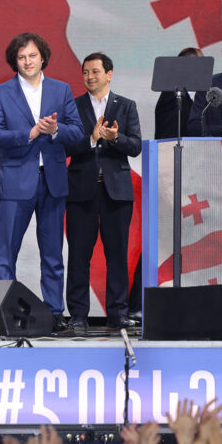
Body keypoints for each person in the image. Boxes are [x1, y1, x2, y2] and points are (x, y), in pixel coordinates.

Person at [0, 32, 83, 330]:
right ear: (15, 61)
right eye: (21, 57)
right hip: (16, 180)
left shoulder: (61, 90)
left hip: (52, 181)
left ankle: (54, 313)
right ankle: (4, 313)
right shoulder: (1, 93)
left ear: (43, 57)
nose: (28, 61)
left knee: (53, 254)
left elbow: (77, 133)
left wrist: (55, 130)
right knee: (5, 254)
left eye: (32, 55)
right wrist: (27, 135)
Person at [64, 52, 141, 335]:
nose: (90, 77)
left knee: (117, 254)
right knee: (79, 255)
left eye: (95, 71)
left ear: (109, 74)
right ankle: (78, 316)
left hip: (116, 193)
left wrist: (115, 138)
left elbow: (135, 146)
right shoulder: (73, 106)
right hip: (81, 190)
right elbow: (67, 146)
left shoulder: (127, 106)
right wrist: (93, 138)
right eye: (85, 72)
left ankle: (118, 314)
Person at [154, 46, 202, 140]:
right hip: (171, 151)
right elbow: (173, 132)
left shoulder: (187, 93)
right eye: (201, 64)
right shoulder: (173, 94)